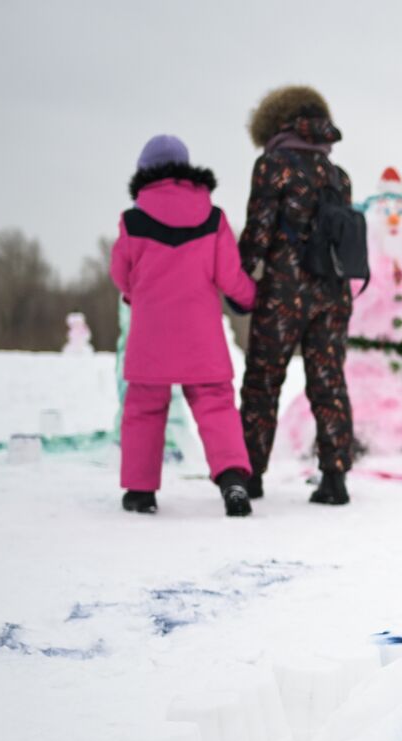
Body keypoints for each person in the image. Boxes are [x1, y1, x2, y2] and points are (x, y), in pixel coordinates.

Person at [110, 135, 257, 517]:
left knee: (143, 408)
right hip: (201, 336)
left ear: (145, 174)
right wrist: (250, 298)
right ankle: (233, 481)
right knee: (216, 405)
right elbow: (230, 276)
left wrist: (135, 296)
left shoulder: (133, 221)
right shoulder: (213, 218)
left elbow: (120, 274)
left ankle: (140, 492)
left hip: (150, 336)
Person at [238, 86, 356, 505]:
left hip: (283, 295)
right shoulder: (338, 176)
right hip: (332, 295)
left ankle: (248, 476)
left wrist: (238, 277)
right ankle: (335, 477)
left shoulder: (272, 165)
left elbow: (259, 231)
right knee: (329, 383)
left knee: (262, 382)